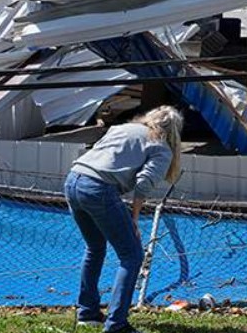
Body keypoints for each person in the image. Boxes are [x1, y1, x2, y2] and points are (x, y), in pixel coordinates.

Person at [63, 106, 183, 333]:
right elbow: (144, 184)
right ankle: (116, 325)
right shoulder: (161, 146)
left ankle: (87, 313)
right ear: (174, 132)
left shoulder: (123, 128)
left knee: (95, 248)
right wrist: (134, 219)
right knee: (132, 255)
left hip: (73, 180)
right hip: (98, 188)